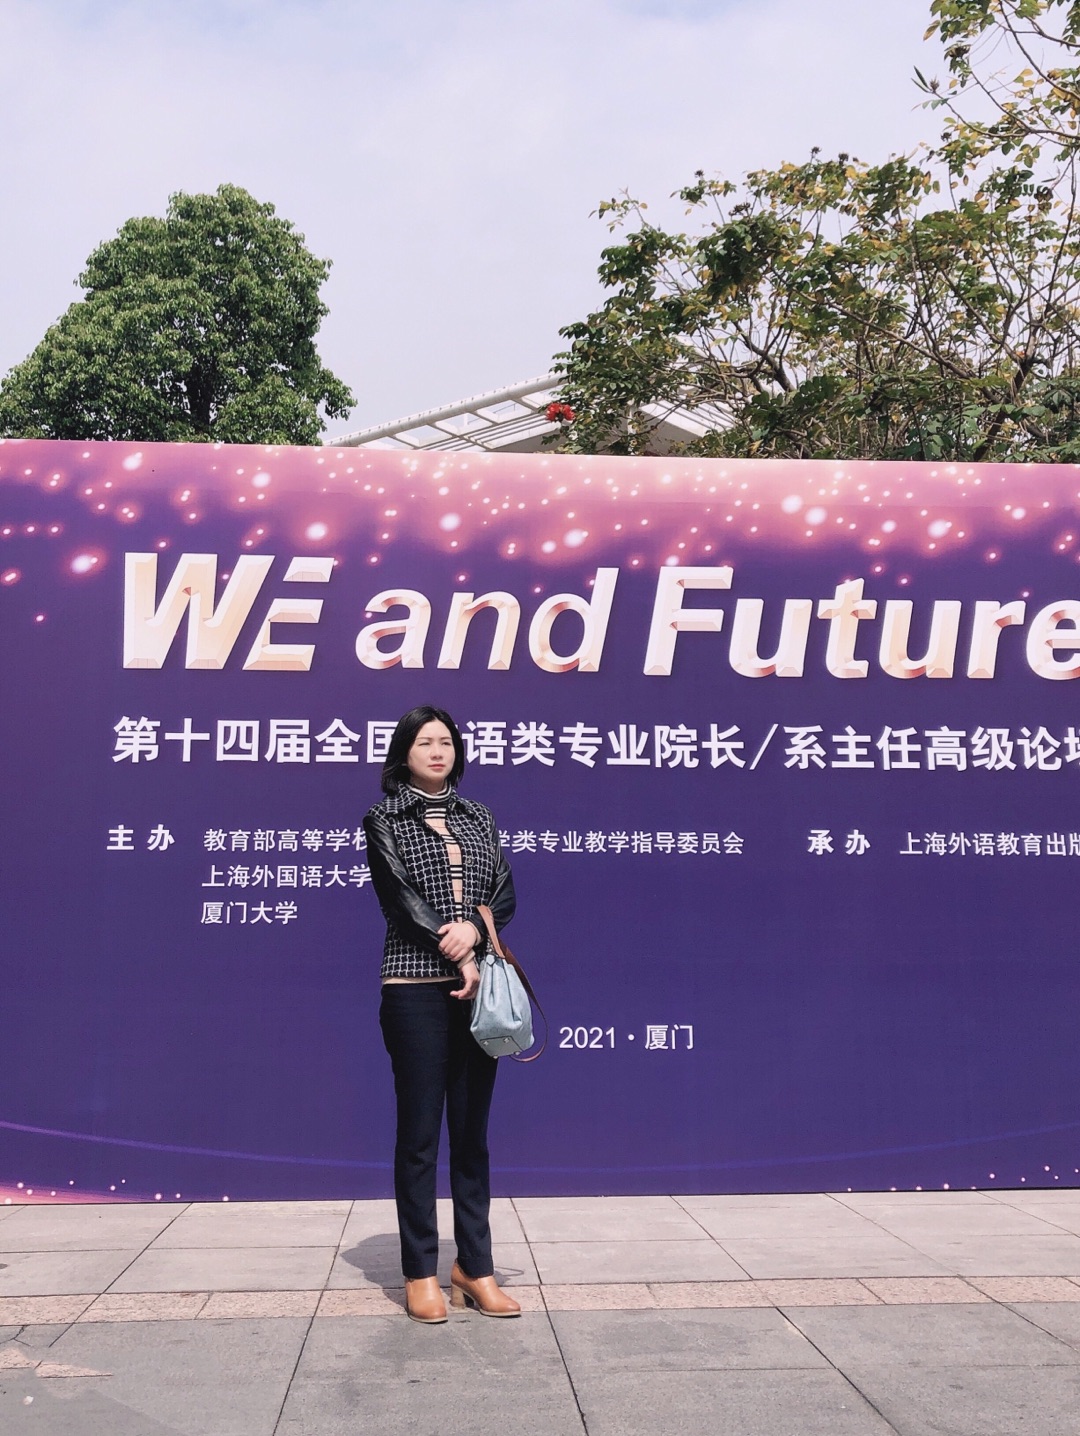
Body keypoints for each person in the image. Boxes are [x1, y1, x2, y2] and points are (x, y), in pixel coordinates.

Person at [363, 705, 521, 1324]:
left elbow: (503, 892)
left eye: (446, 742)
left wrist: (475, 934)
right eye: (425, 742)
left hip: (478, 990)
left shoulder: (479, 816)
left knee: (472, 1137)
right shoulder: (384, 819)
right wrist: (453, 943)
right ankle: (421, 1272)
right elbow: (398, 899)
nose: (437, 751)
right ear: (404, 753)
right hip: (414, 991)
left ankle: (474, 1268)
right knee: (420, 1138)